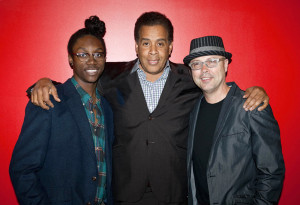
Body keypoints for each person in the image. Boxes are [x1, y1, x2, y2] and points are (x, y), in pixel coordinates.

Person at [27, 12, 269, 205]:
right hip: (125, 193)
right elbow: (80, 81)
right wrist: (43, 84)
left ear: (170, 46)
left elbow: (218, 87)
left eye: (160, 43)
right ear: (136, 46)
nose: (153, 51)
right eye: (146, 43)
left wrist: (254, 90)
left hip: (175, 194)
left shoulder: (191, 79)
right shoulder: (111, 76)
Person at [10, 16, 114, 205]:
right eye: (83, 54)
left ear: (105, 59)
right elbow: (22, 169)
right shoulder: (48, 101)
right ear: (70, 59)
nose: (92, 61)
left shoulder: (108, 107)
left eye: (98, 54)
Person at [184, 36, 285, 205]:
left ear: (225, 65)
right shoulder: (193, 109)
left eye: (212, 61)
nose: (204, 69)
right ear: (191, 71)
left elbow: (271, 172)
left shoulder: (252, 106)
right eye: (196, 64)